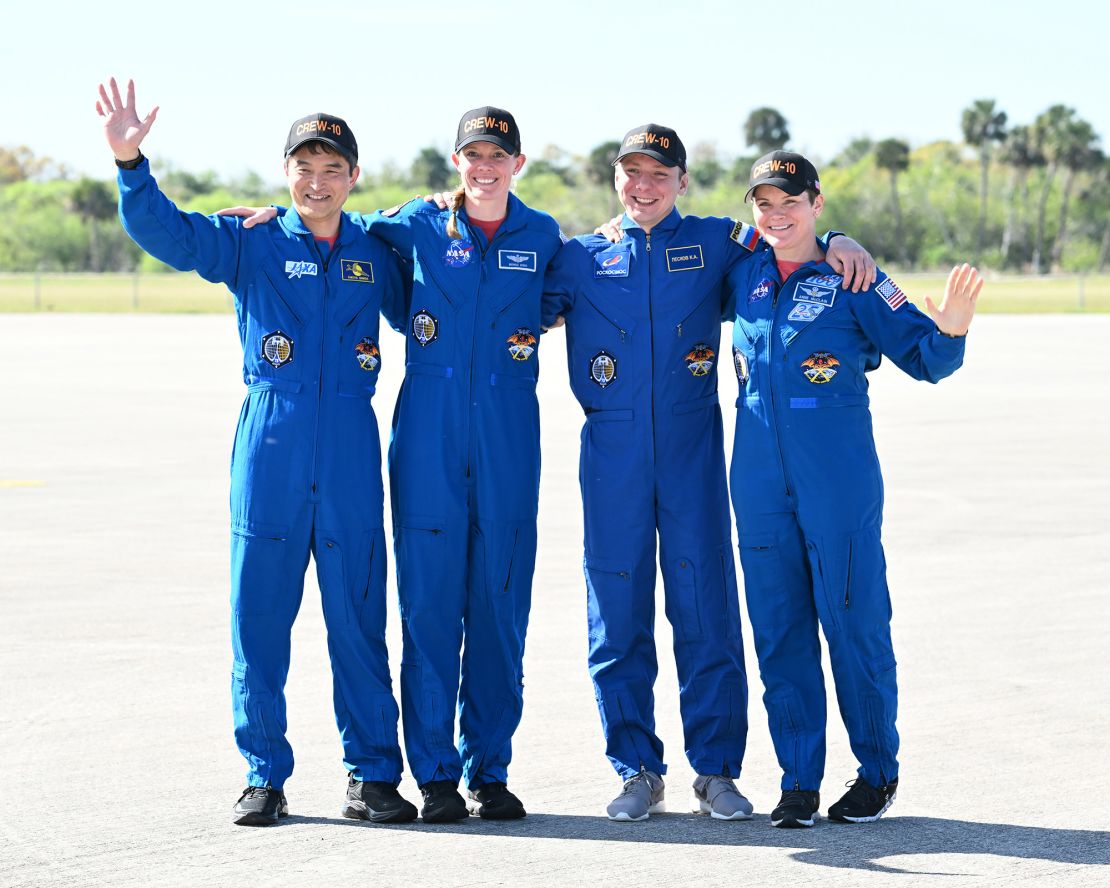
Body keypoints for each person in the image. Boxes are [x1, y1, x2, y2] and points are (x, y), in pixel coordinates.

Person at [220, 107, 563, 821]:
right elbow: (338, 222)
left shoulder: (545, 236)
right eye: (473, 155)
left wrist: (836, 241)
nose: (485, 167)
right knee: (427, 608)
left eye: (498, 155)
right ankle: (434, 774)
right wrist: (283, 217)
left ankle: (489, 771)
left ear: (518, 164)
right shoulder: (412, 226)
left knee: (501, 608)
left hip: (507, 436)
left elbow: (592, 286)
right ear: (457, 162)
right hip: (428, 434)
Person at [96, 78, 417, 826]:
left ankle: (371, 775)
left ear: (353, 177)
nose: (317, 180)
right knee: (259, 618)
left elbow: (431, 295)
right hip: (270, 445)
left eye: (332, 167)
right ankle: (263, 773)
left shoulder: (375, 248)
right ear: (286, 172)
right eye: (304, 166)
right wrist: (130, 165)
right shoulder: (252, 240)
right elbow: (170, 234)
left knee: (359, 618)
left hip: (348, 450)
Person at [542, 125, 875, 822]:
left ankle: (717, 770)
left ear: (682, 182)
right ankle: (635, 766)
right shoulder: (576, 257)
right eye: (632, 172)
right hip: (611, 458)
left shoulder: (722, 245)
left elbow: (791, 240)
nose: (644, 185)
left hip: (694, 452)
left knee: (706, 611)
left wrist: (840, 237)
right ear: (615, 179)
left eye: (659, 174)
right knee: (617, 613)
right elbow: (505, 299)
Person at [727, 150, 982, 827]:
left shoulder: (853, 276)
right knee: (778, 631)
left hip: (835, 479)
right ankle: (798, 780)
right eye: (764, 203)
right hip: (756, 482)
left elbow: (926, 358)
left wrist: (951, 329)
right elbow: (673, 236)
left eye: (791, 201)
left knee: (854, 621)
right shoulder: (742, 268)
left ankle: (876, 772)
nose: (777, 215)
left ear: (816, 201)